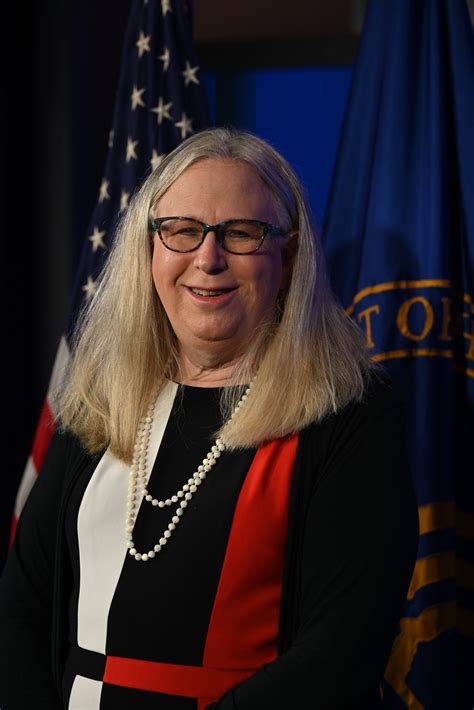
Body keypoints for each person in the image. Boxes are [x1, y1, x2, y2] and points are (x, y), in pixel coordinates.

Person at [0, 127, 418, 709]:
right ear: (149, 250)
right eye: (182, 231)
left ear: (288, 255)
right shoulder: (102, 399)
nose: (208, 258)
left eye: (242, 233)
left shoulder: (348, 415)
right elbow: (21, 603)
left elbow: (342, 648)